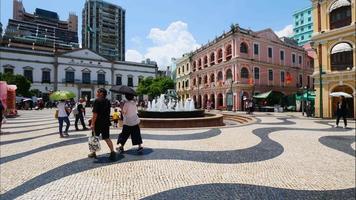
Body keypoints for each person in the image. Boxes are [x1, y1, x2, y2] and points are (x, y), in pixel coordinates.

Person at [88, 88, 116, 160]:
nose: (96, 93)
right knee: (106, 137)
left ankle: (93, 153)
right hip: (106, 122)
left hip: (98, 123)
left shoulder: (97, 101)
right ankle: (112, 152)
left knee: (94, 137)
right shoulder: (107, 101)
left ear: (100, 93)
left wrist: (92, 123)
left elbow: (95, 114)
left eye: (97, 92)